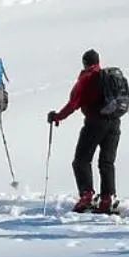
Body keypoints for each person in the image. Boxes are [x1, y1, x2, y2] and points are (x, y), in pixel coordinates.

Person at [48, 48, 120, 214]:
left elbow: (73, 104)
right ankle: (107, 199)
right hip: (114, 122)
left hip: (95, 123)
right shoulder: (108, 77)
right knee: (106, 162)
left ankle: (86, 196)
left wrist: (57, 117)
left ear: (85, 63)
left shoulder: (86, 79)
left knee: (81, 160)